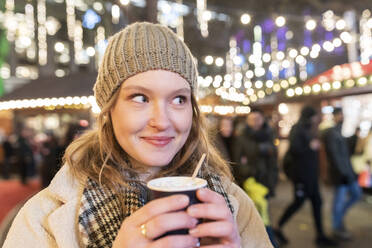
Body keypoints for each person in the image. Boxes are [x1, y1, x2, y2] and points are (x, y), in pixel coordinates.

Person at [3, 22, 272, 248]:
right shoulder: (42, 218)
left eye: (179, 99)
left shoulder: (233, 205)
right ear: (109, 109)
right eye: (140, 97)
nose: (162, 121)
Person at [274, 106, 336, 246]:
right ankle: (277, 227)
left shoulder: (309, 128)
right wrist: (310, 146)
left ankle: (320, 235)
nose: (316, 118)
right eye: (314, 116)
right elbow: (295, 149)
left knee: (317, 203)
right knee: (298, 202)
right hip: (301, 176)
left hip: (311, 176)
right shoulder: (298, 129)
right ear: (310, 116)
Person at [323, 107, 361, 240]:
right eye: (339, 115)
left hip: (347, 172)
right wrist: (344, 172)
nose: (341, 117)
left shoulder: (338, 131)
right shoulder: (331, 133)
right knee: (339, 201)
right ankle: (336, 226)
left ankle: (339, 218)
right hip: (340, 174)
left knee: (356, 194)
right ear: (334, 116)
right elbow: (335, 156)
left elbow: (344, 154)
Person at [233, 108, 278, 195]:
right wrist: (250, 173)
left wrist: (273, 179)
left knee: (264, 206)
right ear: (247, 121)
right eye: (251, 119)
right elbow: (238, 161)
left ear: (262, 119)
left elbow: (274, 157)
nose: (255, 122)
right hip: (249, 180)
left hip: (267, 179)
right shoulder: (242, 137)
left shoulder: (270, 134)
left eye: (257, 119)